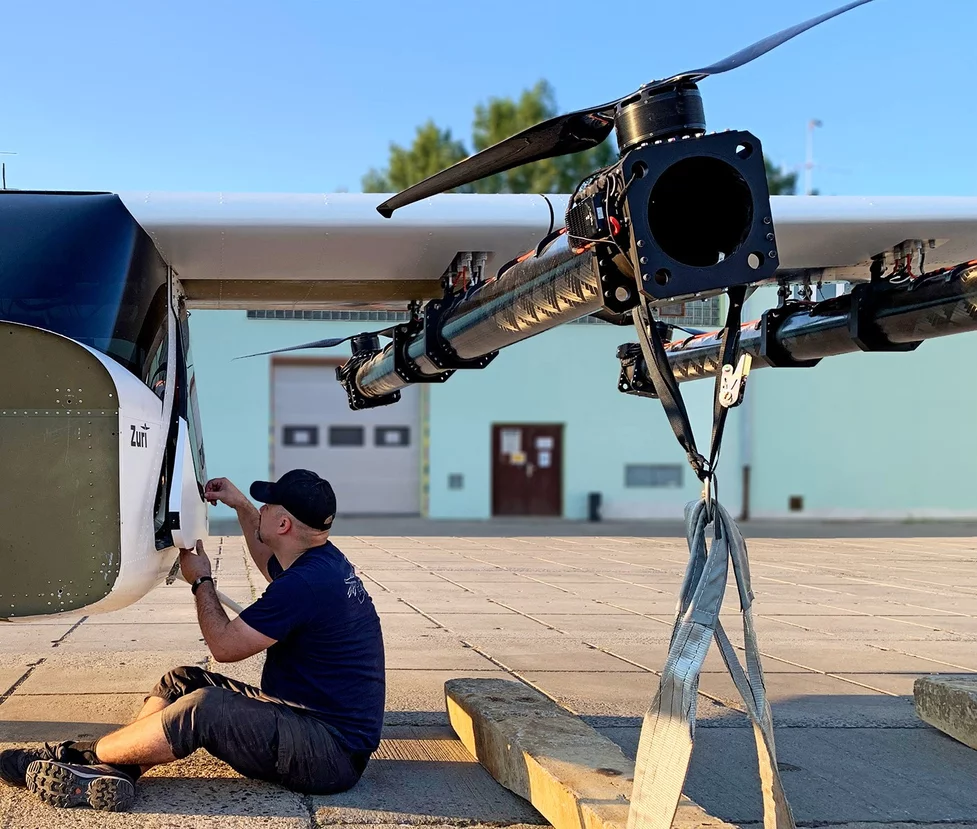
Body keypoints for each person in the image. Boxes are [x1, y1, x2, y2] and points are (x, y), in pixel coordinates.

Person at [0, 469, 385, 813]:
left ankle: (78, 755)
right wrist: (240, 504)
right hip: (309, 723)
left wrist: (202, 580)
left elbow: (224, 647)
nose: (262, 509)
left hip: (330, 755)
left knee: (205, 708)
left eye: (267, 506)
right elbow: (269, 556)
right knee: (181, 681)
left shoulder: (304, 585)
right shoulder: (320, 561)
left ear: (284, 524)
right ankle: (119, 769)